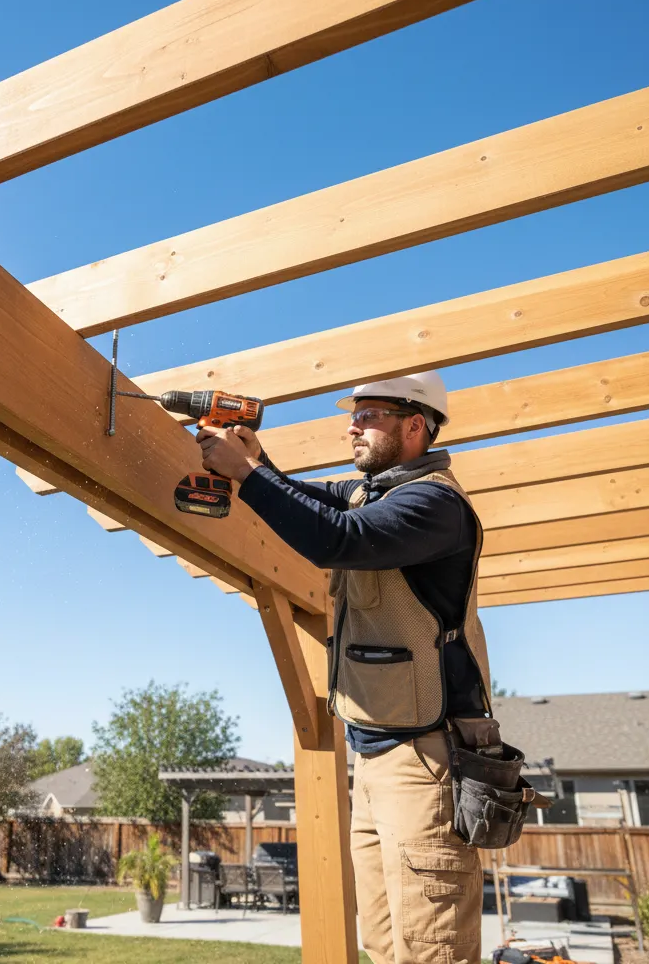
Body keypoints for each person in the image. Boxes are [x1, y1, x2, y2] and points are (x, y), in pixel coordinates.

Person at [196, 371, 491, 964]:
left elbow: (336, 538)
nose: (351, 425)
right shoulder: (372, 493)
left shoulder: (435, 503)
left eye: (369, 415)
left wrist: (246, 474)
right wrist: (260, 461)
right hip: (378, 758)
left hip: (426, 761)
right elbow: (309, 501)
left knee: (429, 949)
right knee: (382, 942)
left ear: (416, 426)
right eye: (353, 414)